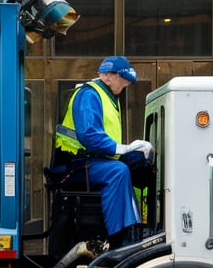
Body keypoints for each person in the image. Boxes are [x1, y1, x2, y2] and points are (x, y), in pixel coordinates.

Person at [50, 55, 153, 252]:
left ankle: (137, 226)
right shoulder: (89, 95)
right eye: (122, 81)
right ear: (107, 76)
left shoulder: (106, 96)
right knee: (118, 171)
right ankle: (119, 239)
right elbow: (89, 134)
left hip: (93, 161)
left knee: (136, 167)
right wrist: (122, 149)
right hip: (77, 165)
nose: (124, 86)